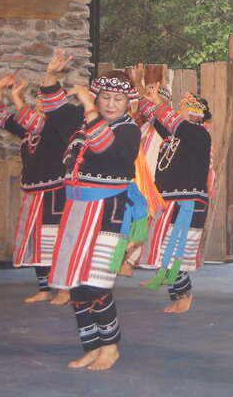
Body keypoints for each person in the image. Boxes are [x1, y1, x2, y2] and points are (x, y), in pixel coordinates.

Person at [40, 51, 145, 371]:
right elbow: (54, 107)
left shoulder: (129, 131)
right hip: (76, 212)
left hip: (108, 213)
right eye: (105, 97)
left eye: (118, 99)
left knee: (96, 283)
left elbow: (102, 146)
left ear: (128, 104)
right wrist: (51, 75)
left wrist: (88, 106)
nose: (111, 104)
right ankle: (91, 345)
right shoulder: (82, 122)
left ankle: (110, 347)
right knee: (76, 283)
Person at [0, 74, 71, 305]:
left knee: (55, 242)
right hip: (33, 194)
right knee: (37, 242)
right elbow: (1, 117)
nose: (41, 105)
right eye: (39, 101)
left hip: (56, 193)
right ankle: (44, 289)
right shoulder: (28, 130)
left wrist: (16, 96)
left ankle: (64, 290)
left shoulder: (57, 127)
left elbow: (33, 122)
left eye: (46, 101)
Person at [135, 86, 213, 313]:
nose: (178, 109)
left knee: (175, 251)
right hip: (169, 201)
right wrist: (143, 92)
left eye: (184, 106)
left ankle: (184, 295)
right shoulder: (175, 136)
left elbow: (169, 118)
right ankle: (179, 293)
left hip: (187, 203)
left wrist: (160, 103)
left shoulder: (199, 134)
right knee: (163, 250)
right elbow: (153, 114)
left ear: (196, 113)